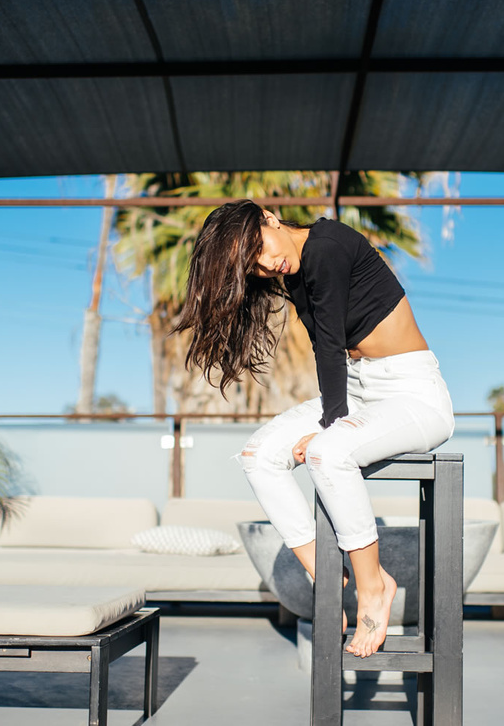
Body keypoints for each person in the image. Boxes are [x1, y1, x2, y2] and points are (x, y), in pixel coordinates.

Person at [173, 200, 454, 658]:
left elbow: (329, 345)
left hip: (413, 395)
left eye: (260, 249)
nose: (267, 266)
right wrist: (335, 419)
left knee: (327, 453)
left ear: (269, 217)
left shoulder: (326, 247)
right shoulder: (294, 273)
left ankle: (373, 587)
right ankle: (326, 577)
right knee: (259, 456)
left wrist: (332, 425)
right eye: (253, 267)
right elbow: (332, 351)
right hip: (360, 390)